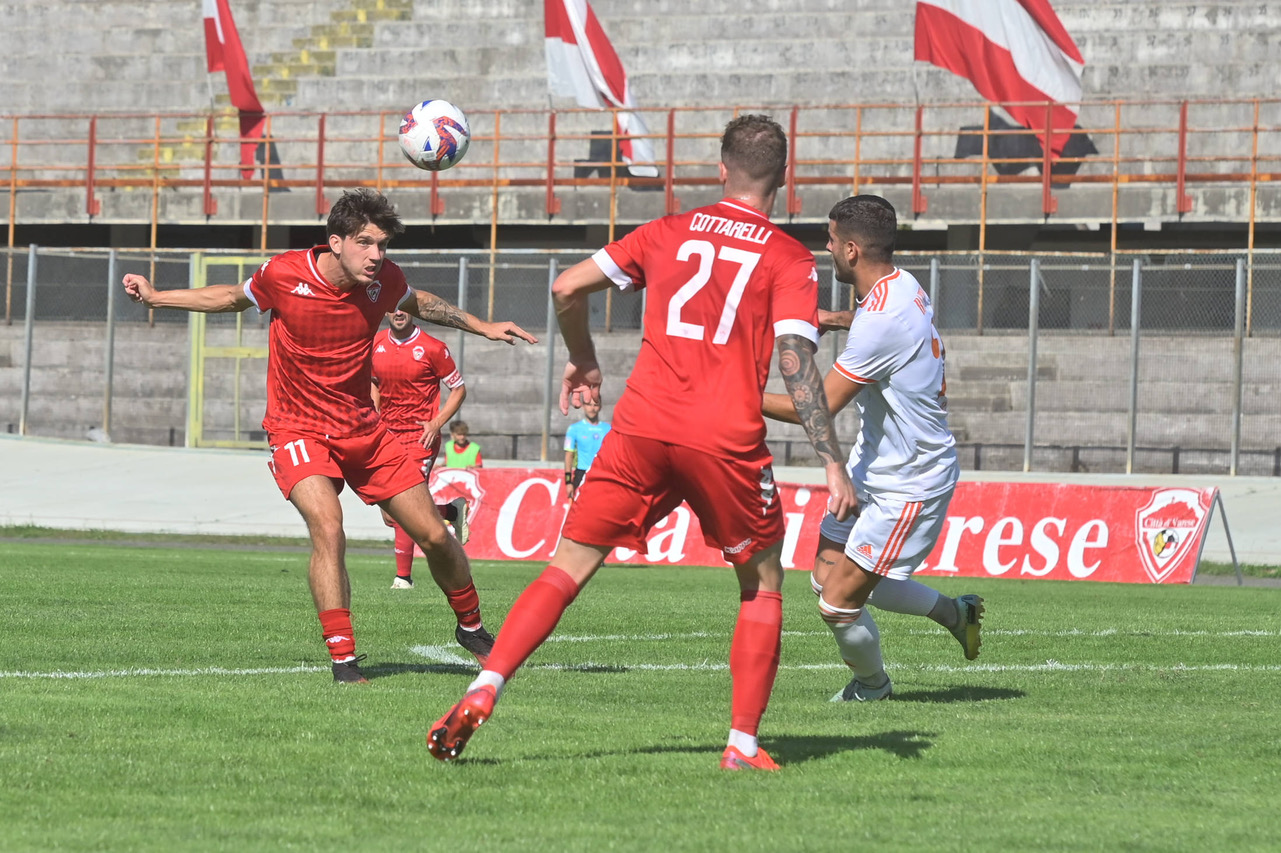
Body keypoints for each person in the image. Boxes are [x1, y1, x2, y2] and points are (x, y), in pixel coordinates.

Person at [427, 115, 857, 771]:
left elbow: (566, 286)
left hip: (641, 427)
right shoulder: (788, 257)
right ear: (783, 179)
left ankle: (486, 683)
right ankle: (741, 743)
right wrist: (830, 458)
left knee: (566, 567)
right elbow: (796, 359)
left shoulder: (665, 231)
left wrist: (585, 360)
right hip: (723, 438)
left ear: (720, 169)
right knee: (762, 583)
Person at [122, 188, 538, 683]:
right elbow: (231, 296)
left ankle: (470, 628)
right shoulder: (284, 273)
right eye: (365, 243)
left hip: (363, 428)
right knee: (328, 526)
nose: (376, 255)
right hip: (297, 429)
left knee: (433, 535)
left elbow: (419, 302)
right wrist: (156, 296)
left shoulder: (384, 282)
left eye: (382, 245)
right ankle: (344, 659)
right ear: (335, 241)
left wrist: (482, 325)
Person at [762, 194, 984, 704]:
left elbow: (812, 409)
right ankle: (957, 613)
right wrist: (833, 319)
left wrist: (734, 397)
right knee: (826, 579)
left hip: (910, 481)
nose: (828, 247)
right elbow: (878, 324)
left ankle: (873, 689)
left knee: (839, 603)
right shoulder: (900, 284)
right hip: (873, 464)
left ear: (854, 250)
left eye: (832, 240)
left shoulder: (882, 322)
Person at [371, 309, 470, 590]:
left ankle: (403, 578)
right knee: (392, 513)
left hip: (419, 437)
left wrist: (436, 423)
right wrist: (374, 410)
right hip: (386, 435)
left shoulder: (432, 348)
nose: (398, 312)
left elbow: (459, 389)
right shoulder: (375, 343)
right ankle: (450, 512)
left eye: (405, 307)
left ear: (413, 312)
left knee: (406, 503)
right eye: (393, 306)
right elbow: (373, 381)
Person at [563, 398, 610, 503]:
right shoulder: (574, 429)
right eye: (589, 405)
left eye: (595, 405)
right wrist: (568, 482)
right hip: (582, 474)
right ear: (583, 406)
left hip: (602, 474)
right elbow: (568, 455)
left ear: (600, 407)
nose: (592, 409)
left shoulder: (608, 429)